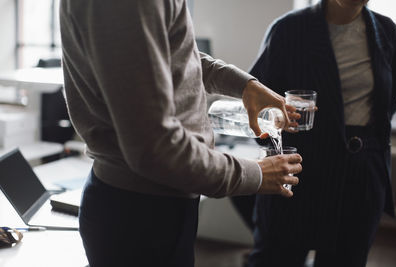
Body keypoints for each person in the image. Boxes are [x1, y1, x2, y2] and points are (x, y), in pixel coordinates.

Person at [59, 1, 303, 267]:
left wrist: (245, 86)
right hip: (140, 215)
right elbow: (154, 148)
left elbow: (175, 56)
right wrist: (254, 174)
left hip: (151, 206)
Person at [247, 0, 396, 266]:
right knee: (276, 258)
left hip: (360, 176)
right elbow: (257, 103)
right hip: (301, 168)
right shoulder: (289, 30)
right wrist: (277, 118)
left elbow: (388, 103)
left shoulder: (387, 32)